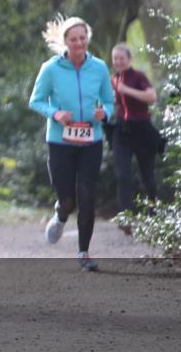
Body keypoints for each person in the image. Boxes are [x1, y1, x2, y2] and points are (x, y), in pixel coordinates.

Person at [29, 15, 114, 272]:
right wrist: (56, 114)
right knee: (68, 200)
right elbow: (36, 100)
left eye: (82, 38)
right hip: (60, 142)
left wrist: (104, 113)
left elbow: (109, 101)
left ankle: (84, 252)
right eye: (73, 39)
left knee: (87, 196)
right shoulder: (51, 68)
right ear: (65, 41)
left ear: (87, 38)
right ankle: (61, 213)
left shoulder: (99, 67)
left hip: (91, 139)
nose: (79, 43)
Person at [110, 43, 160, 223]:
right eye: (115, 58)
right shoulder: (113, 79)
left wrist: (127, 91)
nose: (118, 61)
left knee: (147, 174)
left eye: (121, 58)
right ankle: (126, 215)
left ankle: (154, 211)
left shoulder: (138, 76)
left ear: (129, 60)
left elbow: (152, 96)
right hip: (122, 130)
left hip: (142, 129)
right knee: (122, 174)